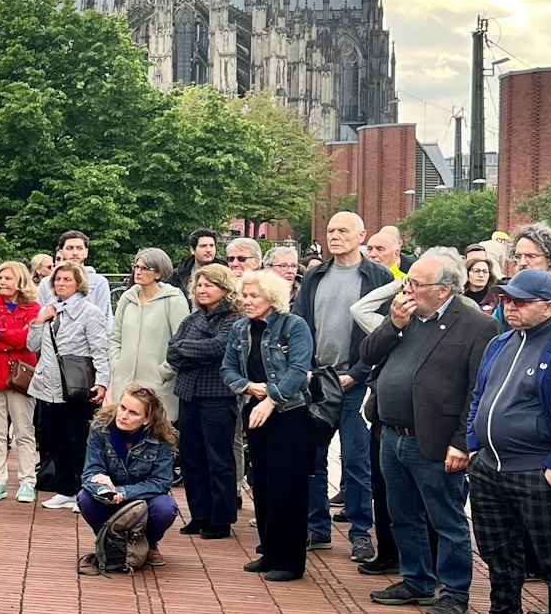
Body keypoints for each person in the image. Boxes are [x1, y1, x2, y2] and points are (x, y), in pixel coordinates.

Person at [455, 267, 551, 614]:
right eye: (506, 300)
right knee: (497, 551)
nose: (509, 307)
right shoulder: (499, 343)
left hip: (536, 471)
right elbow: (479, 395)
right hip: (492, 468)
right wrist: (474, 441)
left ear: (549, 307)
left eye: (520, 301)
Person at [356, 248, 488, 614]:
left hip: (434, 438)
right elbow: (368, 354)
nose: (407, 288)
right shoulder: (407, 314)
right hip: (391, 432)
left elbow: (476, 391)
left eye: (415, 283)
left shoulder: (476, 325)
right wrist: (392, 325)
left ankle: (455, 592)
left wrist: (463, 442)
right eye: (407, 281)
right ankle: (416, 580)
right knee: (402, 515)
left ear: (445, 289)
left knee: (446, 519)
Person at [293, 210, 389, 563]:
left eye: (343, 230)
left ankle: (361, 533)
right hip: (316, 382)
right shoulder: (315, 275)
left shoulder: (378, 276)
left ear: (361, 235)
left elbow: (387, 332)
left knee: (356, 461)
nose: (335, 236)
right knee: (312, 459)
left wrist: (360, 372)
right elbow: (299, 325)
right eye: (330, 230)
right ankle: (316, 528)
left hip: (355, 384)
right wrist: (302, 368)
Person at [222, 270, 315, 582]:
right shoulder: (240, 328)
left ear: (272, 298)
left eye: (253, 296)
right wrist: (249, 387)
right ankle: (270, 552)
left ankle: (290, 561)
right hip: (254, 409)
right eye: (244, 296)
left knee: (287, 486)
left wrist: (271, 398)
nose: (246, 301)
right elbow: (228, 368)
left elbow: (299, 369)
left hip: (289, 413)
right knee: (261, 483)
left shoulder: (293, 325)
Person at [165, 264, 241, 538]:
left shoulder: (234, 318)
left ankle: (221, 519)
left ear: (224, 288)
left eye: (209, 285)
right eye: (199, 285)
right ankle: (199, 514)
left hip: (218, 397)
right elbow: (172, 351)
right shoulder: (193, 318)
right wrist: (196, 352)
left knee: (218, 458)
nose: (202, 290)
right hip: (189, 395)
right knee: (192, 457)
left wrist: (190, 351)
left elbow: (220, 347)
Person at [27, 261, 110, 511]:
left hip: (76, 385)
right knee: (55, 441)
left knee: (79, 441)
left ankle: (83, 489)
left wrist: (102, 382)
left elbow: (100, 350)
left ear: (78, 284)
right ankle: (64, 489)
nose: (61, 284)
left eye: (67, 280)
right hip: (47, 385)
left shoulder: (90, 311)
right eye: (58, 280)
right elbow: (32, 346)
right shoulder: (48, 310)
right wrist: (39, 320)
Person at [76, 385, 180, 572]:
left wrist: (123, 492)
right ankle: (107, 541)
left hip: (143, 498)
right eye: (122, 408)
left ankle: (148, 543)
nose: (124, 416)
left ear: (147, 419)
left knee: (166, 507)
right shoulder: (100, 428)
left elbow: (162, 482)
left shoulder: (161, 437)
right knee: (85, 498)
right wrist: (104, 491)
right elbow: (90, 473)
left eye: (133, 413)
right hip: (110, 496)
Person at [0, 260, 40, 502]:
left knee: (24, 432)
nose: (1, 282)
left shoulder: (34, 308)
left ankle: (27, 481)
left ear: (20, 281)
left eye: (8, 278)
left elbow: (28, 338)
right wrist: (8, 339)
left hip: (22, 378)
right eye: (0, 278)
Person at [109, 247, 191, 422]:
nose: (138, 272)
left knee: (157, 438)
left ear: (159, 273)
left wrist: (165, 371)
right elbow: (115, 337)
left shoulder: (173, 299)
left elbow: (182, 342)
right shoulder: (127, 298)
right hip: (125, 385)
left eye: (144, 268)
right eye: (136, 267)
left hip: (158, 386)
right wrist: (117, 366)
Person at [509, 223, 551, 330]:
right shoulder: (507, 294)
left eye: (531, 256)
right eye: (517, 256)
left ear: (550, 259)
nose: (522, 263)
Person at [38, 231, 110, 314]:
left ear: (86, 252)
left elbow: (104, 316)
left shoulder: (99, 282)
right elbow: (39, 315)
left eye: (79, 248)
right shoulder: (46, 283)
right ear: (61, 252)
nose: (75, 253)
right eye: (69, 248)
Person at [168, 228, 219, 293]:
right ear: (192, 250)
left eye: (211, 245)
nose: (208, 250)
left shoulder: (227, 271)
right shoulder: (178, 275)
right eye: (203, 246)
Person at [462, 248, 500, 316]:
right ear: (467, 274)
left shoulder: (497, 299)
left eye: (485, 272)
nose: (481, 275)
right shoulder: (460, 299)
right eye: (476, 271)